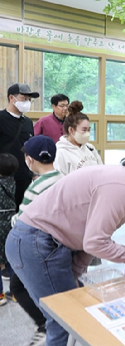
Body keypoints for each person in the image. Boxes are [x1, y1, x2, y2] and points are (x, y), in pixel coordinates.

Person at [5, 142, 125, 346]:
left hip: (45, 242)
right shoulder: (122, 186)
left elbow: (92, 237)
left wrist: (77, 269)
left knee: (76, 308)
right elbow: (95, 242)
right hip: (36, 241)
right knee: (64, 317)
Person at [10, 136, 64, 345]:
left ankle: (45, 324)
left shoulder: (35, 188)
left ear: (29, 160)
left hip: (38, 245)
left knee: (18, 286)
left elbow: (20, 220)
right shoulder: (64, 178)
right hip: (61, 242)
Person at [0, 83, 38, 207]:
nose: (27, 102)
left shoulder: (27, 122)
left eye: (29, 99)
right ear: (12, 98)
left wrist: (34, 172)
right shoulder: (1, 118)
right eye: (24, 98)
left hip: (24, 175)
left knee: (22, 212)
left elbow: (29, 148)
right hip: (4, 177)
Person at [54, 101, 102, 175]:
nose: (87, 133)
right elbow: (61, 181)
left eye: (89, 130)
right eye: (84, 130)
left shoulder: (90, 148)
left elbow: (101, 169)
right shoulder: (61, 152)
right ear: (71, 130)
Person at [0, 153, 18, 307]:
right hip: (10, 222)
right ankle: (15, 292)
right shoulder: (12, 181)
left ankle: (0, 296)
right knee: (12, 258)